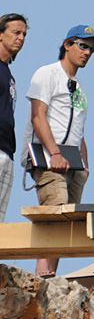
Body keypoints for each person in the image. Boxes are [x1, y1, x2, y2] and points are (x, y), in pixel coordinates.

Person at [20, 25, 94, 278]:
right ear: (67, 45)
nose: (87, 52)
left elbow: (80, 130)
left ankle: (50, 277)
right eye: (82, 45)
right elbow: (38, 116)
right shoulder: (47, 74)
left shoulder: (81, 88)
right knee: (54, 213)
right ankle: (40, 275)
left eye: (91, 48)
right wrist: (54, 153)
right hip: (48, 157)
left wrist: (85, 167)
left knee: (67, 222)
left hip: (73, 163)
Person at [0, 13, 28, 222]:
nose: (21, 38)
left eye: (24, 34)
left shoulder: (9, 74)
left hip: (6, 151)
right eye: (16, 32)